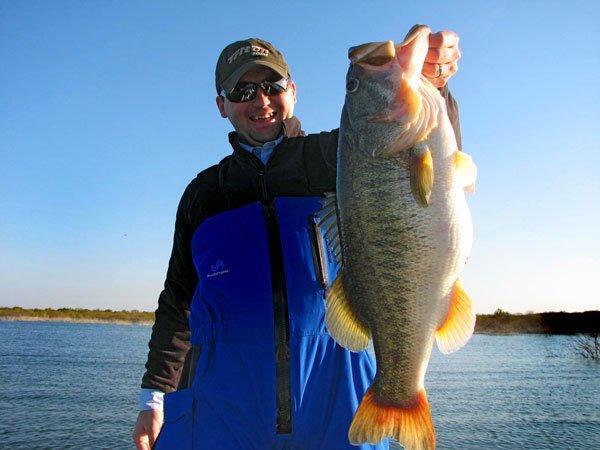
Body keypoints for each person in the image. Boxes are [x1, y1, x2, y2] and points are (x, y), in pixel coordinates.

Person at [133, 31, 462, 450]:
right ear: (222, 105)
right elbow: (178, 300)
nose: (261, 100)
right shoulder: (204, 194)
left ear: (293, 91)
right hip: (226, 410)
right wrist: (155, 396)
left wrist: (436, 84)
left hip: (337, 397)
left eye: (272, 86)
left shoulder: (337, 155)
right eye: (243, 90)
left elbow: (426, 173)